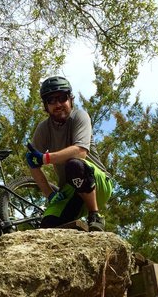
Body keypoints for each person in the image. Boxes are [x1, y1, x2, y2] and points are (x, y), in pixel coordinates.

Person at [25, 76, 113, 232]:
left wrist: (45, 158)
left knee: (74, 164)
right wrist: (49, 194)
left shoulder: (80, 116)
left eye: (62, 98)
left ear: (70, 100)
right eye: (51, 100)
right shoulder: (43, 129)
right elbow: (32, 163)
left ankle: (95, 215)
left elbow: (80, 152)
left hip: (97, 183)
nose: (58, 104)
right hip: (70, 189)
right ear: (46, 106)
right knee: (48, 226)